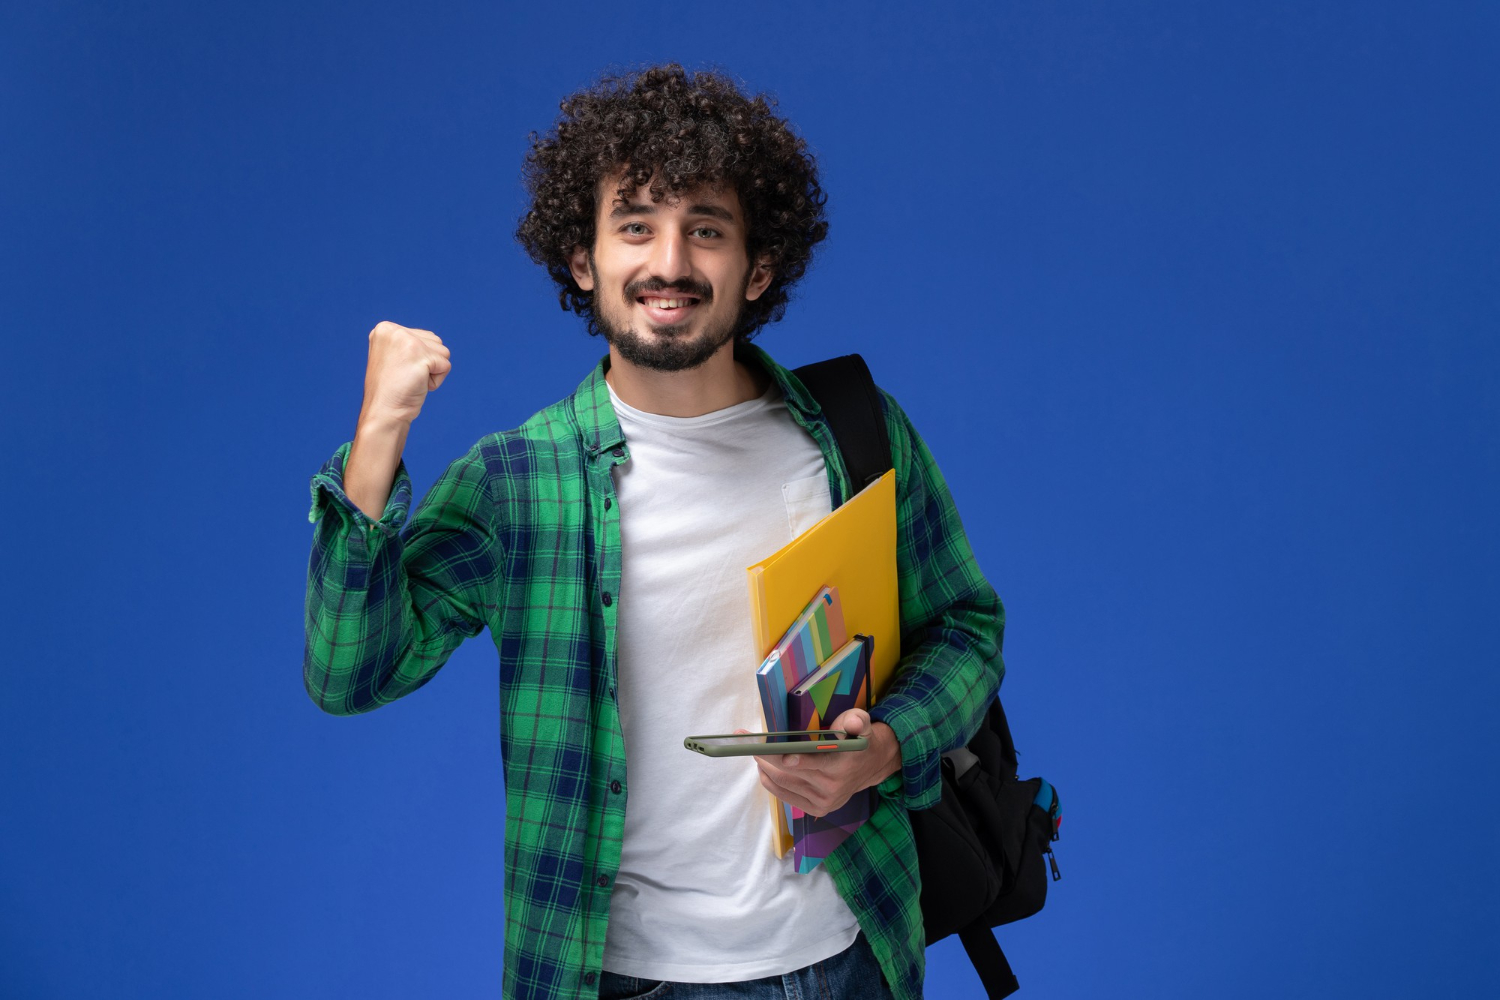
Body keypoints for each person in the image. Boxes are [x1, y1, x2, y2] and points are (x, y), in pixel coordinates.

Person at [304, 64, 1004, 1000]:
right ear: (583, 261)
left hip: (853, 958)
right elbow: (349, 673)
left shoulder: (851, 432)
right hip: (632, 982)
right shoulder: (521, 484)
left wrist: (887, 744)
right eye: (634, 225)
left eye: (704, 230)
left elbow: (965, 628)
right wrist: (377, 437)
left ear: (757, 267)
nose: (668, 262)